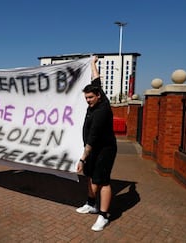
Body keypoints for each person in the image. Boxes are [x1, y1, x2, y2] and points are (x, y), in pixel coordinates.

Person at [76, 56, 117, 231]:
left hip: (104, 150)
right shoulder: (99, 97)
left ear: (98, 96)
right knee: (91, 176)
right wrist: (93, 63)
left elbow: (92, 138)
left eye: (91, 97)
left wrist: (82, 159)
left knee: (104, 181)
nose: (88, 100)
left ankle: (103, 216)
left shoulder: (102, 111)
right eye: (86, 98)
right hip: (94, 149)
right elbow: (96, 79)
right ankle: (91, 204)